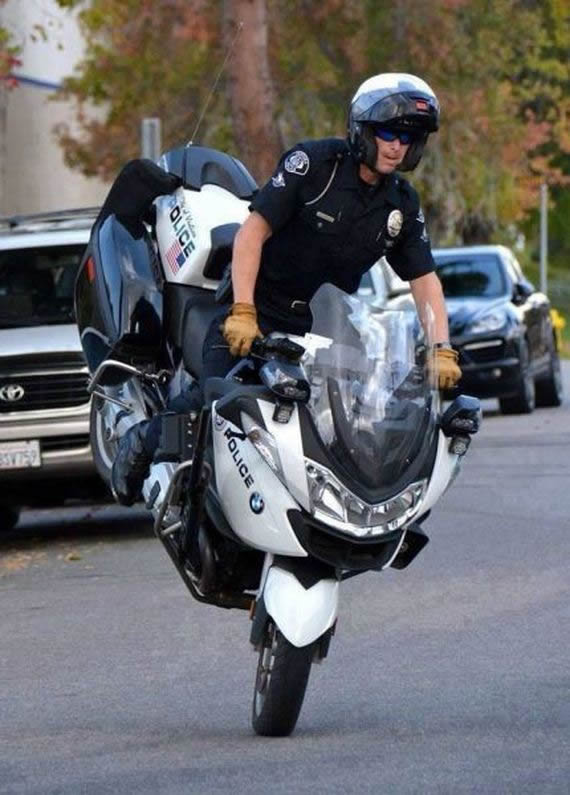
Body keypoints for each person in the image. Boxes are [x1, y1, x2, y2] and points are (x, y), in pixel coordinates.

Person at [112, 72, 462, 505]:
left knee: (351, 424)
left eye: (408, 138)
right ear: (362, 130)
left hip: (323, 327)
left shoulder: (402, 205)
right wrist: (243, 310)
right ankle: (142, 444)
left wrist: (441, 348)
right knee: (216, 399)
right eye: (388, 133)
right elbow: (251, 234)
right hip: (257, 311)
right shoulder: (313, 166)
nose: (397, 146)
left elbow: (424, 281)